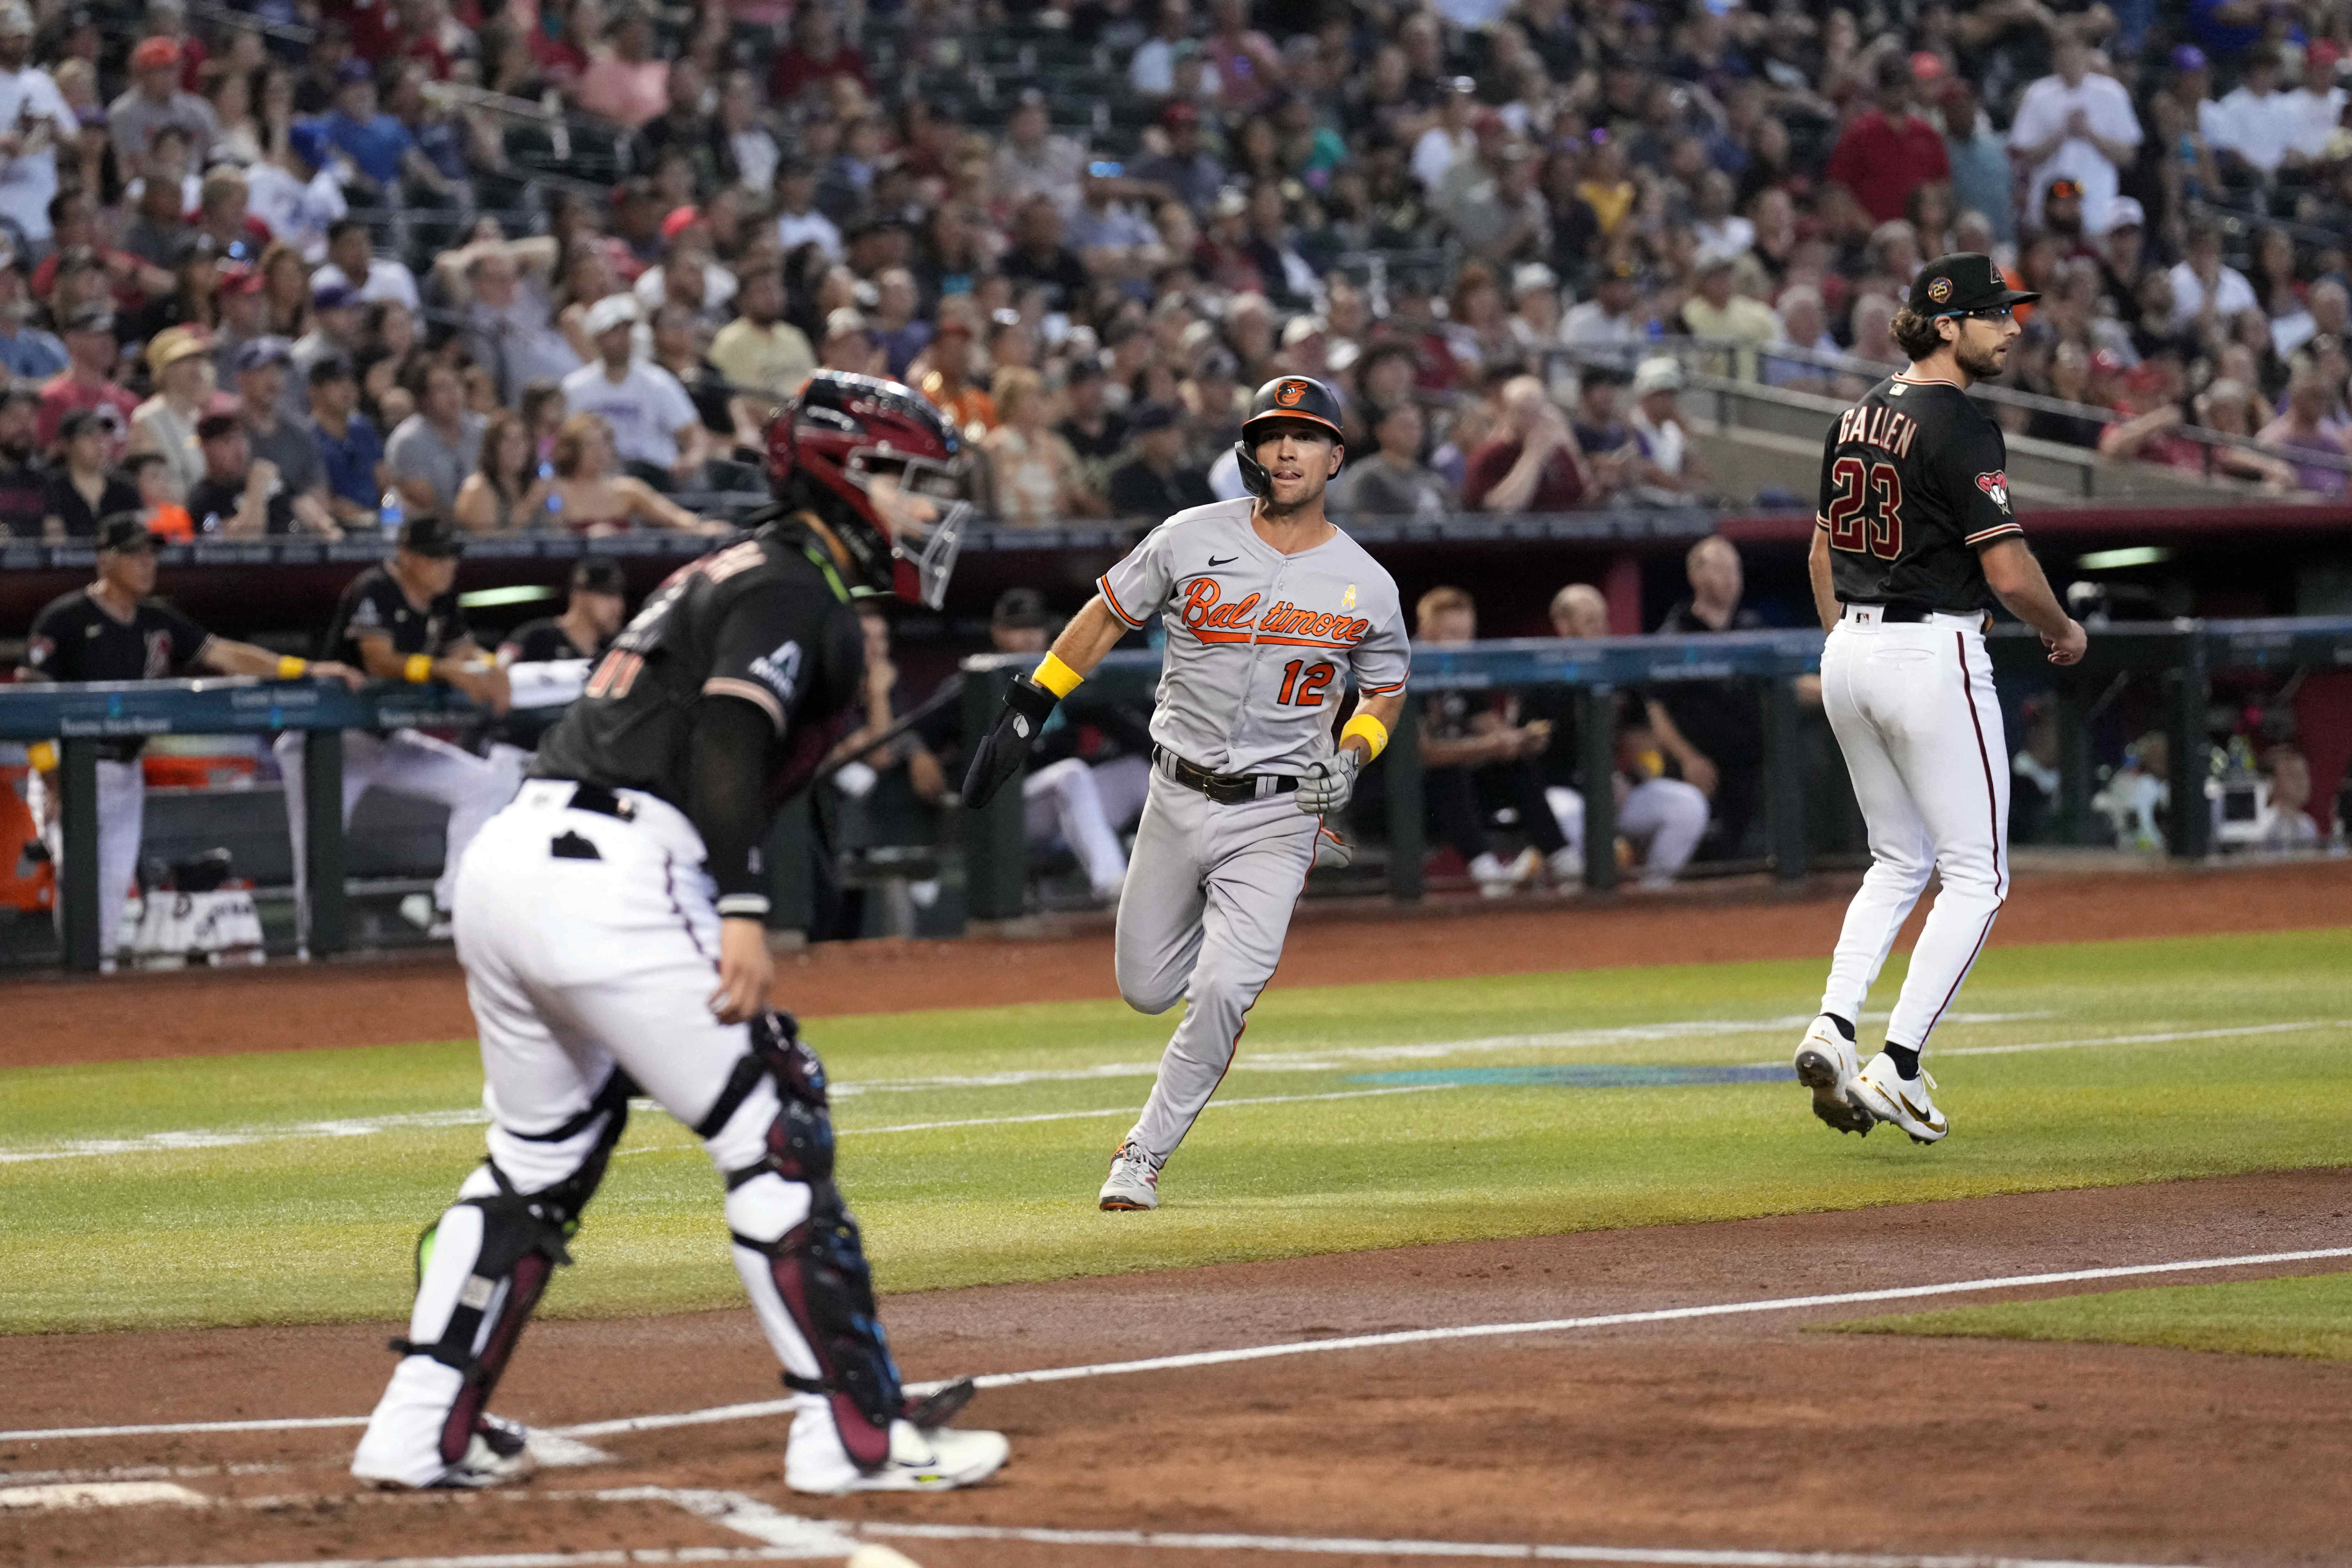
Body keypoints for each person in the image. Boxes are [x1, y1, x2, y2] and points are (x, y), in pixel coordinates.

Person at [349, 370, 1007, 1496]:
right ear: (843, 479)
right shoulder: (794, 583)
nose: (921, 506)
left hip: (517, 861)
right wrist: (746, 910)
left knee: (534, 1158)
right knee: (776, 1124)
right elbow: (726, 735)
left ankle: (418, 1430)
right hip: (617, 866)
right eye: (904, 479)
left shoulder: (730, 567)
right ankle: (849, 1435)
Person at [960, 376, 1409, 1211]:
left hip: (1280, 812)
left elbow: (1383, 689)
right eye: (1272, 434)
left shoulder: (1366, 582)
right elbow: (1103, 616)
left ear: (1335, 457)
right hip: (1175, 795)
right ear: (1250, 448)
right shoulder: (1186, 536)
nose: (1286, 450)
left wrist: (1354, 752)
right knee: (1143, 986)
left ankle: (1141, 1153)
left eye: (1305, 437)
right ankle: (1220, 920)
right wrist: (1031, 703)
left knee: (1224, 989)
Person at [1794, 252, 2087, 1147]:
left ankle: (1832, 1026)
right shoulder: (1959, 423)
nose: (2012, 327)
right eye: (1995, 314)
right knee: (1978, 874)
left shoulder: (1853, 414)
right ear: (1947, 325)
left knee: (1895, 860)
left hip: (1849, 645)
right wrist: (2061, 627)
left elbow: (1817, 556)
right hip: (1930, 649)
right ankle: (1900, 1065)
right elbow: (2004, 569)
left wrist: (1849, 640)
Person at [17, 514, 358, 971]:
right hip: (70, 768)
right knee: (77, 876)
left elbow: (225, 654)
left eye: (151, 553)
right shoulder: (66, 618)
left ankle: (92, 991)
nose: (147, 563)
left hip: (124, 770)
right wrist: (53, 779)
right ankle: (76, 981)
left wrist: (305, 669)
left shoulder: (158, 619)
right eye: (136, 553)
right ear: (105, 560)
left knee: (112, 888)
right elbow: (28, 699)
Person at [275, 514, 514, 944]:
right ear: (405, 556)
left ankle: (451, 906)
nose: (447, 565)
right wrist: (447, 670)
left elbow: (466, 649)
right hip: (329, 741)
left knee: (486, 784)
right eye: (436, 557)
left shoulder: (442, 599)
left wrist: (494, 666)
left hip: (386, 739)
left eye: (450, 556)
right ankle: (311, 950)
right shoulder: (376, 588)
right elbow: (378, 660)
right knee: (316, 852)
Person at [1541, 583, 1709, 888]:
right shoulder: (1542, 677)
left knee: (1687, 805)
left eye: (1602, 620)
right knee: (1566, 817)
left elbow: (1646, 746)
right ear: (1563, 627)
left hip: (1615, 791)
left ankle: (1651, 892)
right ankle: (1579, 900)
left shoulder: (1620, 673)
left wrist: (1629, 782)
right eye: (1589, 621)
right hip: (1561, 790)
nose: (1600, 629)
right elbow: (1527, 759)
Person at [1415, 585, 1572, 895]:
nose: (1459, 644)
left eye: (1465, 635)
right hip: (1393, 801)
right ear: (1425, 630)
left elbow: (1491, 728)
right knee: (1448, 773)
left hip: (1456, 803)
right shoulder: (1400, 666)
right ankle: (1490, 877)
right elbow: (1422, 754)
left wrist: (1520, 741)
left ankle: (1566, 863)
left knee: (1515, 766)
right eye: (1449, 634)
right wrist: (1490, 746)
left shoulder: (1463, 668)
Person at [561, 293, 706, 490]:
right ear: (597, 337)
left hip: (656, 479)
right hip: (597, 482)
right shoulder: (575, 388)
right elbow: (563, 441)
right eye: (613, 332)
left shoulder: (658, 382)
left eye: (625, 332)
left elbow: (695, 435)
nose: (621, 340)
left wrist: (690, 461)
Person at [490, 556, 628, 755]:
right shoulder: (537, 637)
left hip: (581, 758)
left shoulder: (613, 653)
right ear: (579, 596)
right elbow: (498, 671)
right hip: (525, 753)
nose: (618, 607)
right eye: (607, 596)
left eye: (619, 596)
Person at [545, 412, 721, 535]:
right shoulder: (553, 490)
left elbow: (676, 518)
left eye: (604, 444)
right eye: (590, 445)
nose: (599, 453)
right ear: (572, 450)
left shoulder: (628, 490)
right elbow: (527, 529)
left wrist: (706, 528)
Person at [1463, 374, 1587, 512]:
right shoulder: (1488, 457)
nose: (1533, 421)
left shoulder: (1559, 454)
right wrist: (1533, 456)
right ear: (1507, 413)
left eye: (1538, 412)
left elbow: (1581, 497)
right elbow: (1503, 509)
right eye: (1525, 413)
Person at [386, 361, 487, 520]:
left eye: (456, 384)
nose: (453, 393)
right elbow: (428, 505)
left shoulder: (484, 430)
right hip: (433, 535)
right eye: (441, 388)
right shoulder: (408, 442)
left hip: (486, 527)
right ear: (424, 398)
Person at [1337, 400, 1455, 519]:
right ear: (1381, 431)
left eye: (1417, 427)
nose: (1413, 433)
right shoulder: (1366, 476)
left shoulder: (1432, 480)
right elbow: (1352, 517)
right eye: (1405, 426)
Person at [307, 358, 385, 531]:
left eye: (351, 382)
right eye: (336, 382)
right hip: (330, 530)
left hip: (375, 525)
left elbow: (385, 483)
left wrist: (391, 516)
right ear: (315, 392)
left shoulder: (363, 428)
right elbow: (310, 496)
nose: (347, 388)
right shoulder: (306, 437)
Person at [39, 408, 140, 539]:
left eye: (104, 435)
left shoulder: (124, 488)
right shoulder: (49, 487)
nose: (100, 442)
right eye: (89, 435)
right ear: (66, 444)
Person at [1105, 401, 1214, 519]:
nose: (1176, 438)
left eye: (1178, 431)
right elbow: (1131, 521)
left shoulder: (1194, 479)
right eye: (1167, 432)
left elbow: (1215, 515)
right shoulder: (1127, 480)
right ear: (1145, 439)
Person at [455, 409, 558, 533]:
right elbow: (487, 543)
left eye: (522, 440)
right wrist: (529, 504)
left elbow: (557, 529)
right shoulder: (478, 488)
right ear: (494, 448)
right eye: (508, 441)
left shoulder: (532, 483)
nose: (516, 448)